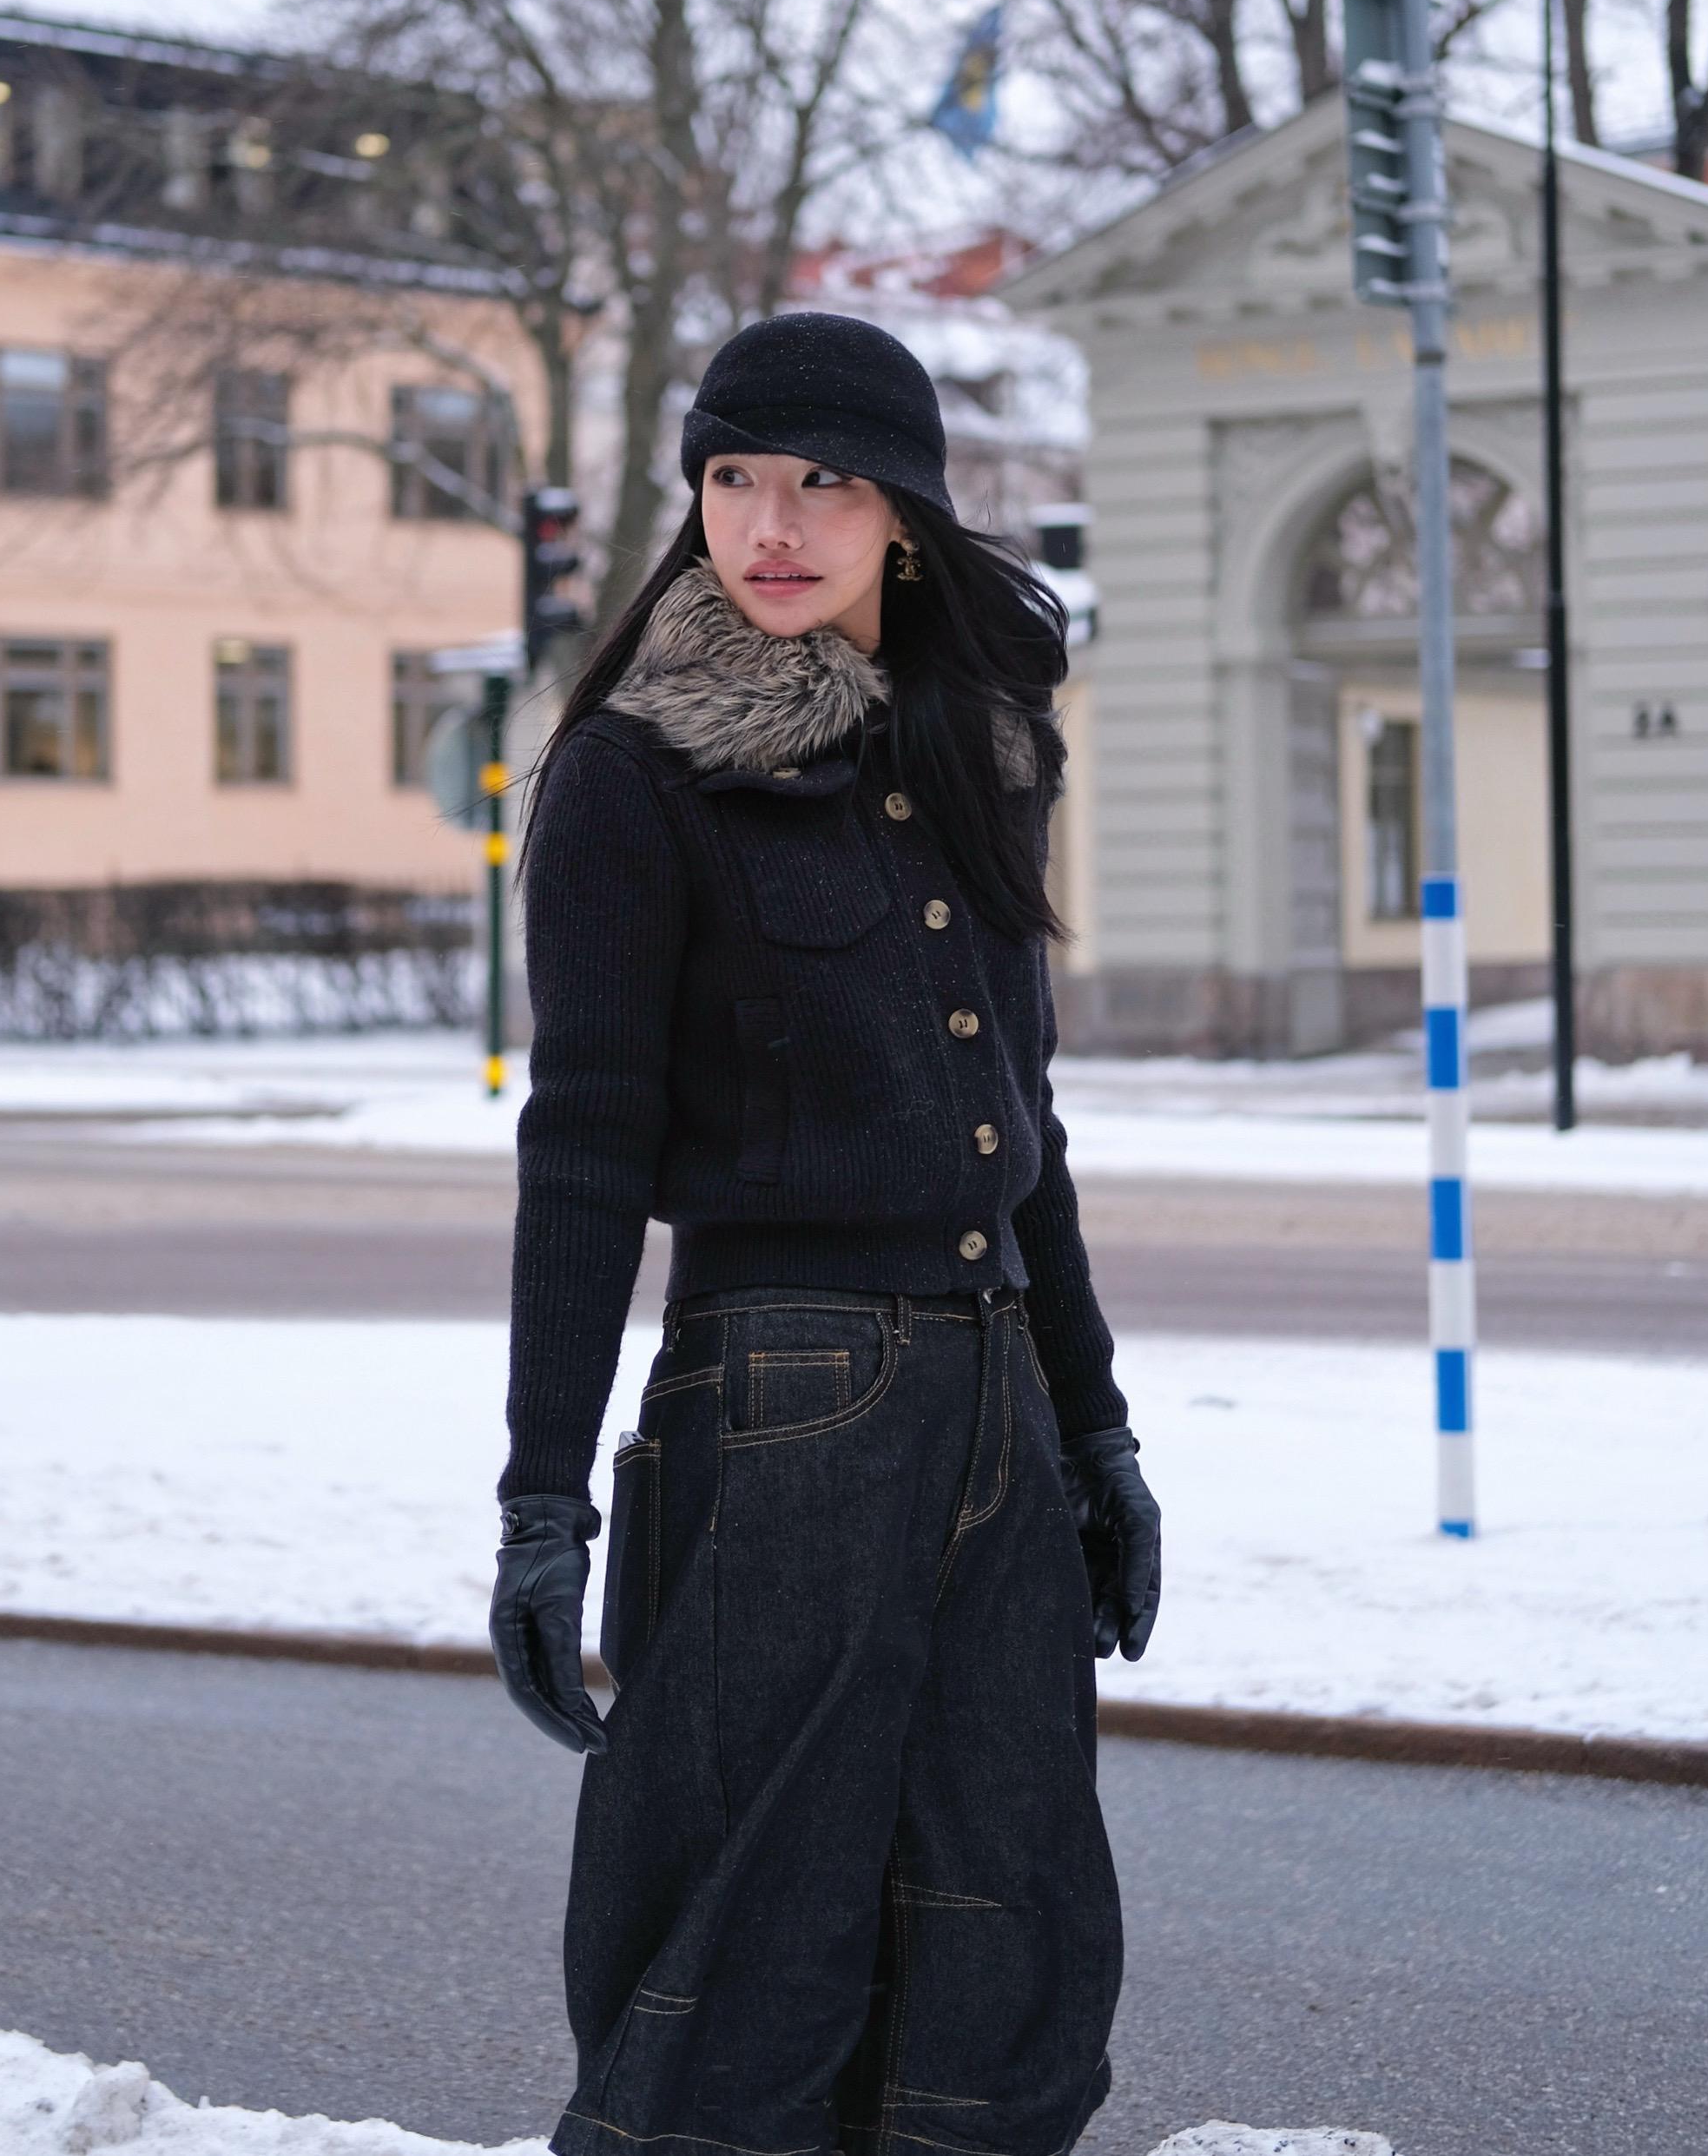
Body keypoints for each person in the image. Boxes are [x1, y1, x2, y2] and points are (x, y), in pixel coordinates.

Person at [489, 309, 1162, 2156]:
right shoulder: (636, 773)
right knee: (750, 1922)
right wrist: (543, 1500)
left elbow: (1026, 1137)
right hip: (786, 1399)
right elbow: (583, 1147)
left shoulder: (983, 753)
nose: (770, 525)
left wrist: (1097, 1431)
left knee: (1009, 1918)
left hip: (997, 1401)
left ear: (908, 516)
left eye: (823, 484)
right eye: (732, 478)